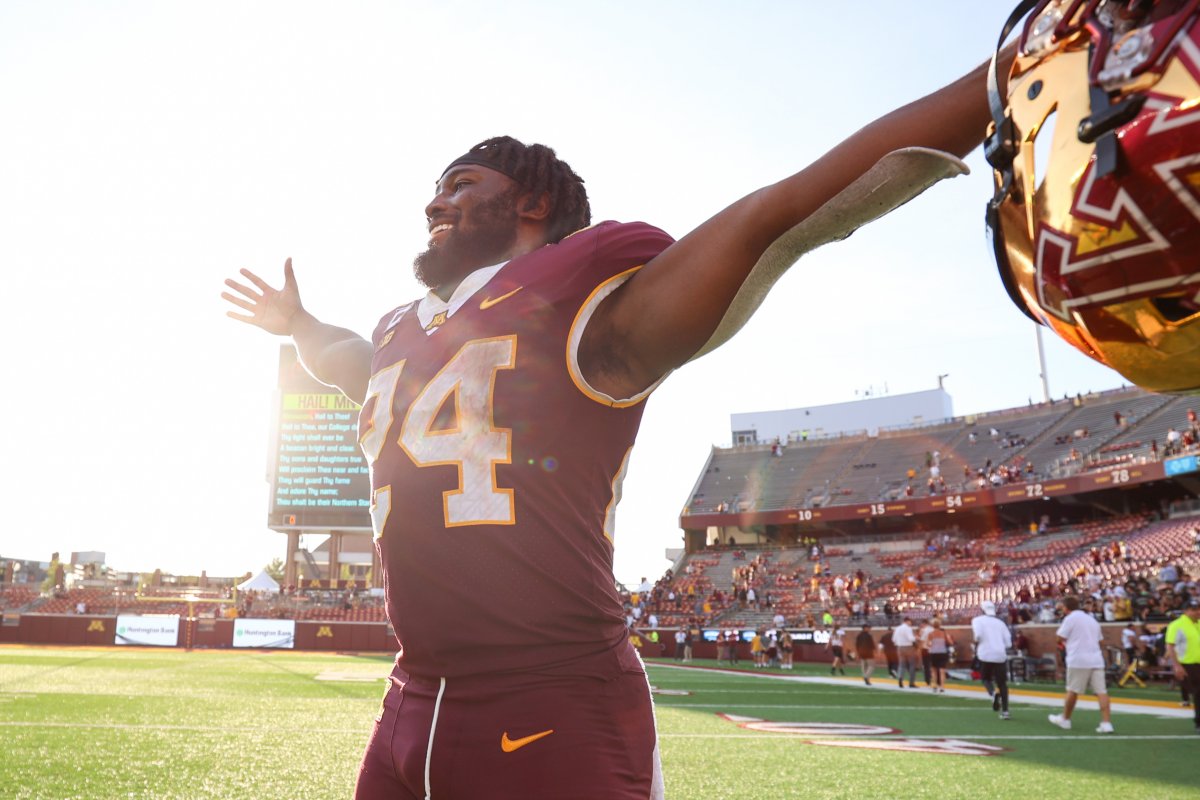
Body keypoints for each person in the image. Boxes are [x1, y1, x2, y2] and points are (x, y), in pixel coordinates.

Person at [221, 50, 1017, 800]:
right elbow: (347, 357)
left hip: (552, 701)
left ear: (532, 203)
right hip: (409, 698)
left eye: (462, 183)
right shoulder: (406, 333)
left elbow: (782, 213)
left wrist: (1003, 77)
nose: (435, 201)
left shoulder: (591, 311)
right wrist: (298, 324)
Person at [1049, 596, 1115, 734]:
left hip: (1078, 659)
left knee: (1072, 690)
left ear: (1066, 608)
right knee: (1101, 692)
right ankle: (1106, 723)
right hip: (1096, 659)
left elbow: (1059, 638)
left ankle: (1065, 719)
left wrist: (1065, 643)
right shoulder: (1092, 619)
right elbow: (1101, 642)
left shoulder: (1070, 618)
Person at [972, 600, 1012, 720]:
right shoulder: (1000, 623)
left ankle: (993, 694)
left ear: (982, 610)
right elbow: (1008, 643)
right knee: (1002, 684)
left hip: (985, 654)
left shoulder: (977, 621)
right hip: (1000, 655)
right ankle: (1005, 711)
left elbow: (977, 636)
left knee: (985, 678)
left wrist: (975, 645)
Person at [1164, 598, 1200, 731]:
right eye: (1194, 609)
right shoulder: (1177, 625)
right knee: (1198, 693)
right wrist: (1176, 665)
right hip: (1187, 664)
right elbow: (1170, 646)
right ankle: (1198, 722)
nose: (1197, 612)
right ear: (1185, 611)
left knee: (1198, 694)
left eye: (1198, 609)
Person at [926, 618, 953, 694]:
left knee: (934, 670)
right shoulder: (944, 633)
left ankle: (934, 685)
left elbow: (928, 644)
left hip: (933, 653)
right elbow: (950, 642)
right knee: (942, 671)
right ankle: (942, 686)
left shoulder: (930, 634)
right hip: (942, 652)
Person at [893, 617, 919, 688]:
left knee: (901, 665)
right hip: (908, 647)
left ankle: (900, 678)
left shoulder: (897, 628)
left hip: (899, 647)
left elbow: (894, 639)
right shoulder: (908, 628)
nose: (911, 623)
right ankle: (911, 682)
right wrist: (916, 637)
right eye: (910, 622)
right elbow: (911, 638)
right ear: (907, 621)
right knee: (912, 665)